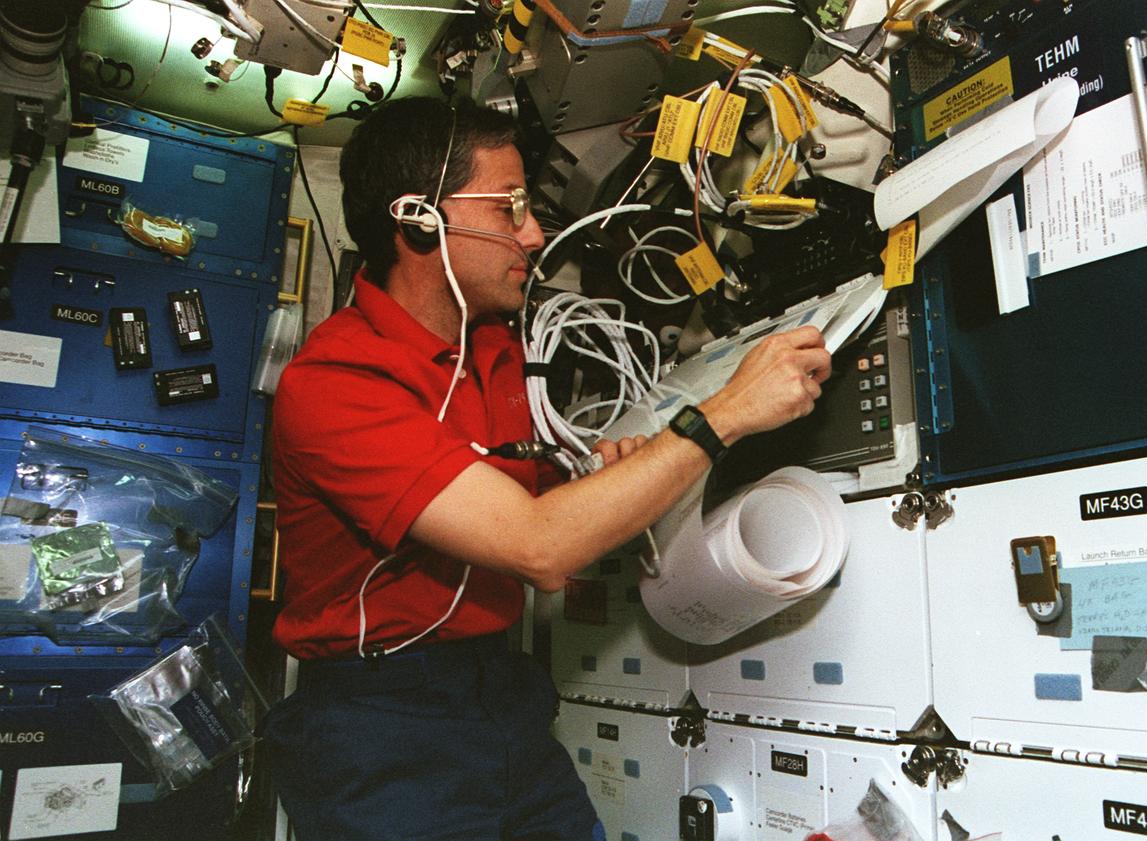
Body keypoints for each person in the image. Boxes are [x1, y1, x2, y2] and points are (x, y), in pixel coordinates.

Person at [262, 96, 832, 841]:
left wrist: (597, 483)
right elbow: (539, 547)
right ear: (420, 221)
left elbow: (524, 515)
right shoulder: (334, 384)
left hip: (500, 696)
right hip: (381, 722)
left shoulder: (495, 348)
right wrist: (725, 413)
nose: (532, 233)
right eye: (509, 207)